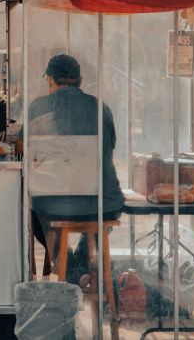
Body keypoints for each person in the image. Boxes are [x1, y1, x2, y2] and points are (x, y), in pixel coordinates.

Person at [23, 54, 125, 279]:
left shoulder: (37, 108)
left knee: (29, 209)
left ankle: (65, 260)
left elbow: (25, 147)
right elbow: (111, 145)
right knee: (104, 207)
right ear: (80, 81)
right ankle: (80, 262)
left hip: (53, 204)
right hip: (103, 203)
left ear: (50, 80)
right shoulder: (101, 109)